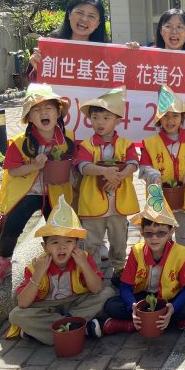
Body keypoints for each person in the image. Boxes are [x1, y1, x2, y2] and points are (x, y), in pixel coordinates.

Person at [0, 84, 75, 285]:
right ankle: (3, 261)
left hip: (55, 191)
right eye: (36, 110)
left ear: (58, 113)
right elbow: (13, 170)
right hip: (28, 192)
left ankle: (64, 261)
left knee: (59, 229)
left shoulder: (68, 139)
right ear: (29, 118)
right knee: (13, 226)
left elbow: (74, 162)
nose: (43, 112)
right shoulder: (19, 142)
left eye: (48, 108)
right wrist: (34, 165)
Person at [7, 195, 113, 344]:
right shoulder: (37, 265)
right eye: (55, 242)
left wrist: (84, 265)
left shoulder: (83, 257)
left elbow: (96, 289)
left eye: (69, 242)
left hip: (75, 302)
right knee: (16, 315)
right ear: (45, 247)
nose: (62, 247)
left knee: (107, 293)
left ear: (76, 245)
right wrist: (37, 274)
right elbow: (23, 303)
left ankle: (55, 329)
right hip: (47, 306)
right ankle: (81, 328)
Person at [102, 186, 185, 335]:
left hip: (169, 299)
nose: (154, 238)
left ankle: (143, 323)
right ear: (141, 232)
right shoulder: (136, 251)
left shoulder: (182, 253)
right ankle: (158, 322)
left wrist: (173, 308)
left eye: (161, 233)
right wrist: (133, 306)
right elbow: (125, 286)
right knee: (111, 305)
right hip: (144, 298)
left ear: (171, 231)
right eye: (149, 233)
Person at [75, 87, 139, 285]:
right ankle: (92, 270)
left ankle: (119, 267)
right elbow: (83, 166)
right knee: (92, 240)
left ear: (118, 120)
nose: (100, 122)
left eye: (106, 117)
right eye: (95, 117)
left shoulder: (126, 144)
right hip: (93, 203)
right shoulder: (86, 145)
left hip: (118, 204)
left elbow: (133, 163)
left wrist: (118, 176)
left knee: (119, 238)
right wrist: (105, 171)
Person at [139, 85, 185, 248]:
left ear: (182, 117)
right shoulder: (150, 143)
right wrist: (154, 175)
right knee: (161, 234)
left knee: (183, 234)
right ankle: (165, 263)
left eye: (175, 116)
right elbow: (143, 167)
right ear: (159, 119)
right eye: (166, 116)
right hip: (160, 198)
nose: (170, 121)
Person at [126, 8, 185, 102]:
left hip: (182, 116)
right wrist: (133, 55)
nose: (174, 32)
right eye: (168, 26)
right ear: (160, 30)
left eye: (179, 27)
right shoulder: (147, 56)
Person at [27, 0, 108, 77]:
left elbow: (115, 86)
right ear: (69, 14)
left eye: (91, 16)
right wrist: (37, 68)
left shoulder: (106, 54)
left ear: (98, 23)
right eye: (80, 13)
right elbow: (33, 85)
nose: (84, 19)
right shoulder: (49, 48)